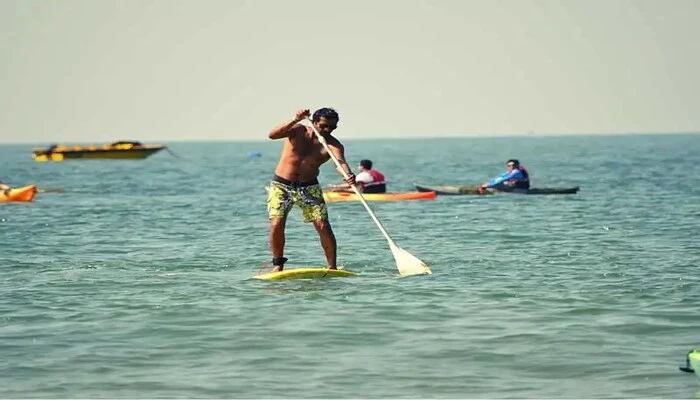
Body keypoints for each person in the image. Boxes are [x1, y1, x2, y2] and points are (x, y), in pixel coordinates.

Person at [266, 107, 356, 272]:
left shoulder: (333, 144)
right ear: (314, 122)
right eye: (324, 126)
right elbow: (272, 135)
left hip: (309, 187)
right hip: (282, 185)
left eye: (332, 127)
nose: (328, 130)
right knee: (277, 223)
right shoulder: (297, 130)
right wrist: (295, 119)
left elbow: (340, 163)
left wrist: (348, 174)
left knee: (323, 225)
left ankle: (332, 267)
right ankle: (278, 264)